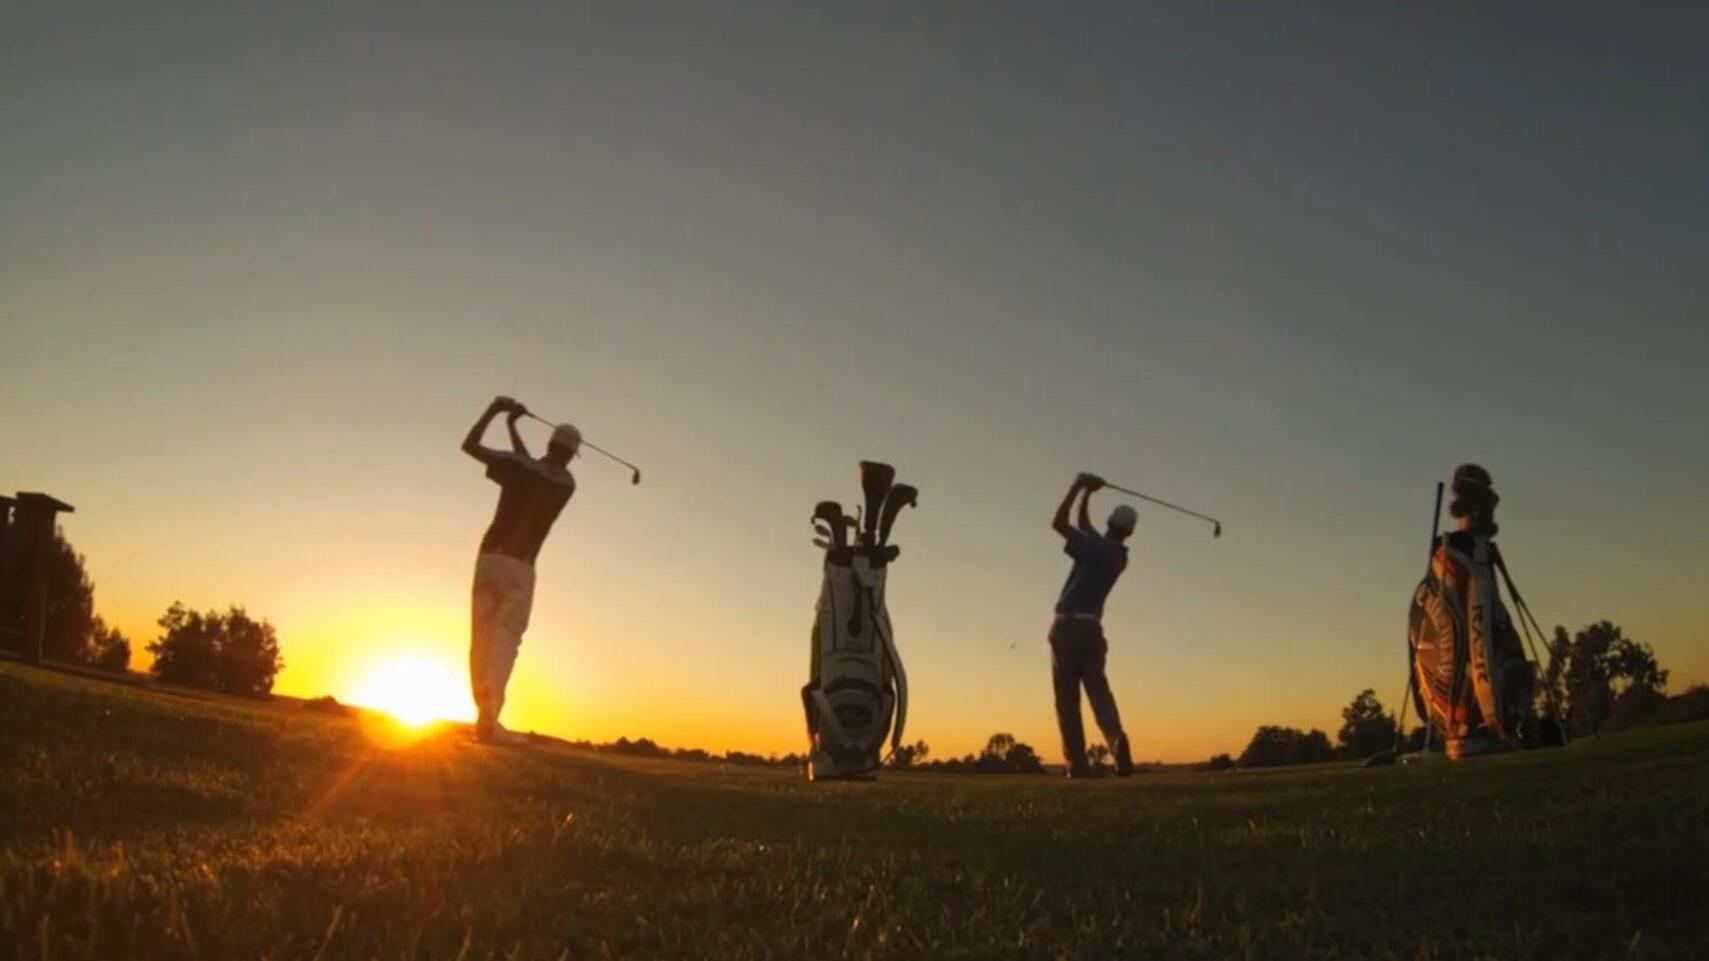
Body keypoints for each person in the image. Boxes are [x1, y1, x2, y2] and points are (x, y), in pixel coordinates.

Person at [461, 395, 579, 744]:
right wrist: (512, 427)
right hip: (521, 565)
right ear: (571, 454)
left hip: (489, 559)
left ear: (550, 444)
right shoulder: (566, 484)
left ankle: (485, 717)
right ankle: (489, 716)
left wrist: (497, 412)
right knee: (506, 639)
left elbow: (472, 446)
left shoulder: (520, 467)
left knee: (482, 638)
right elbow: (529, 466)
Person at [1049, 473, 1137, 778]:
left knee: (1067, 700)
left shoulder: (1094, 547)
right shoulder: (1118, 556)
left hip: (1066, 628)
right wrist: (1087, 493)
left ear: (1110, 522)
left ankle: (1077, 764)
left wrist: (1077, 485)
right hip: (1093, 631)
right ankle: (1116, 740)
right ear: (1129, 532)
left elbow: (1059, 522)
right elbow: (1083, 525)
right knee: (1099, 693)